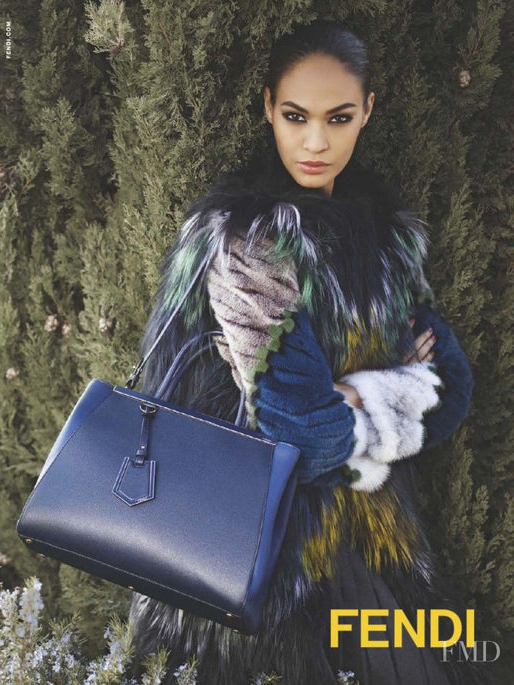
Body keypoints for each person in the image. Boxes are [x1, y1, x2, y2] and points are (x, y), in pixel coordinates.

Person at [128, 19, 491, 685]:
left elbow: (450, 390)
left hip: (371, 546)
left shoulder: (387, 240)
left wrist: (347, 396)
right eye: (296, 116)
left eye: (338, 117)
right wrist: (387, 389)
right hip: (255, 567)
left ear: (367, 112)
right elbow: (303, 437)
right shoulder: (248, 242)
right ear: (269, 107)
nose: (316, 142)